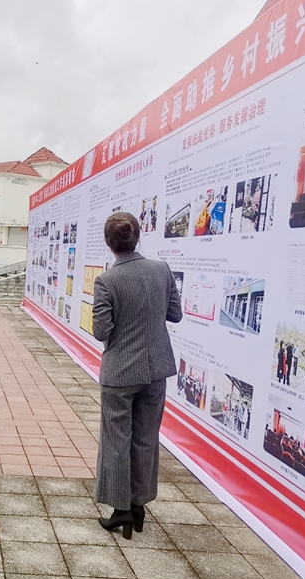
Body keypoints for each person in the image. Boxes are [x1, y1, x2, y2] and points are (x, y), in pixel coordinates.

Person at [91, 212, 182, 538]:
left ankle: (121, 510)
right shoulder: (162, 270)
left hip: (120, 372)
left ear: (109, 243)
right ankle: (140, 506)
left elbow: (102, 330)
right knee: (146, 437)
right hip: (156, 368)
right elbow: (175, 314)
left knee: (117, 441)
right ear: (138, 237)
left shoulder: (107, 281)